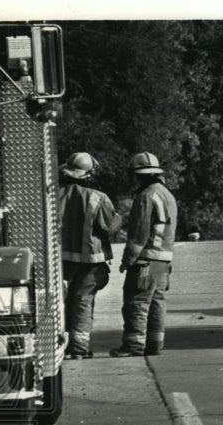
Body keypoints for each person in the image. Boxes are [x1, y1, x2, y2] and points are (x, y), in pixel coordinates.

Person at [110, 152, 178, 358]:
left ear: (141, 175)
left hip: (146, 259)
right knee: (157, 302)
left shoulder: (146, 196)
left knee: (137, 302)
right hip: (164, 260)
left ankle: (133, 345)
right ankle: (154, 344)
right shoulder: (168, 195)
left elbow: (140, 234)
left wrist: (127, 260)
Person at [57, 153, 121, 359]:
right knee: (83, 301)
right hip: (90, 262)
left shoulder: (53, 195)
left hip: (61, 261)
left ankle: (62, 345)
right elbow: (109, 227)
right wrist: (118, 218)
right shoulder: (98, 197)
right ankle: (79, 349)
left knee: (62, 302)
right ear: (89, 174)